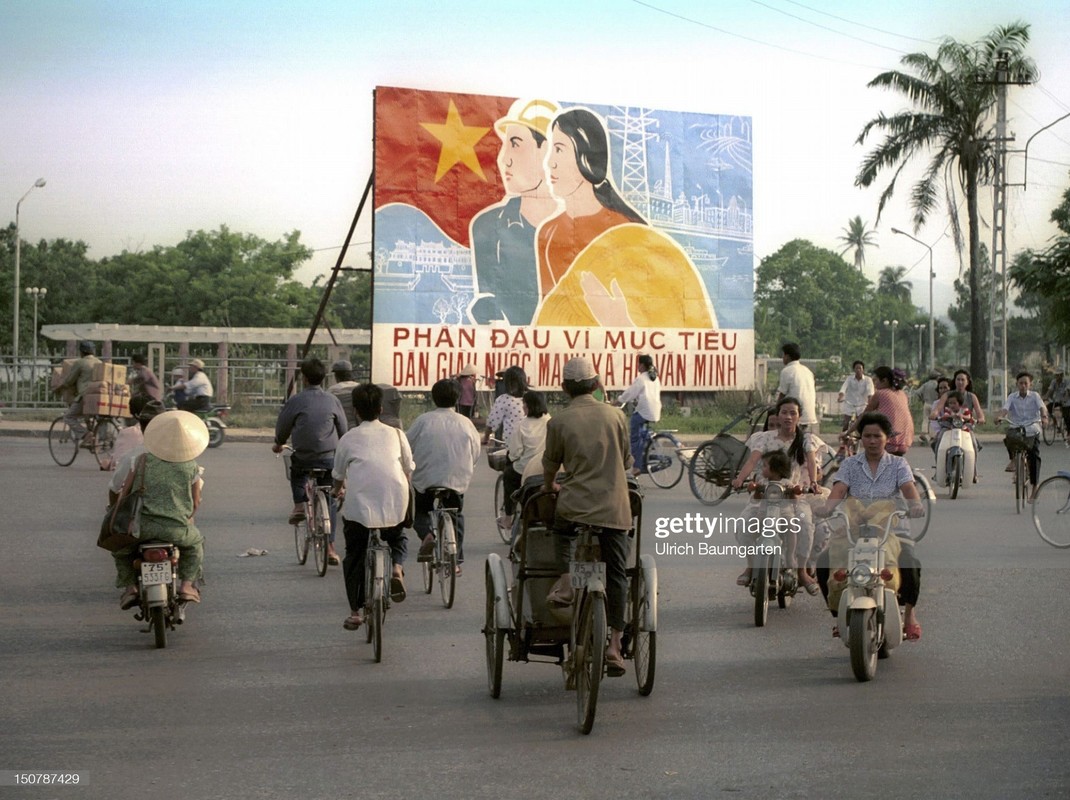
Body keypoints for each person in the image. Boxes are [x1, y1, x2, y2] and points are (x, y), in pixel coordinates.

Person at [532, 107, 715, 328]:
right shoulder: (548, 233)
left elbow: (648, 311)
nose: (549, 162)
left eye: (559, 150)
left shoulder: (627, 230)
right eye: (551, 150)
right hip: (569, 355)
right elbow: (551, 314)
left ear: (586, 158)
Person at [542, 356, 633, 677]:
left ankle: (567, 579)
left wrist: (550, 484)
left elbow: (550, 466)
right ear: (596, 384)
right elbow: (625, 462)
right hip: (614, 508)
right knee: (618, 573)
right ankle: (615, 645)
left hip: (574, 507)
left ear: (564, 388)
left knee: (562, 531)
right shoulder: (616, 416)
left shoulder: (559, 421)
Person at [817, 412, 926, 641]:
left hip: (891, 530)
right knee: (824, 562)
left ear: (887, 438)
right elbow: (838, 490)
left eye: (877, 436)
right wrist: (828, 507)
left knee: (910, 564)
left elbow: (908, 489)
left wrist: (915, 505)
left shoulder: (898, 464)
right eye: (867, 436)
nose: (872, 441)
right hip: (854, 529)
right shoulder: (849, 464)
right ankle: (839, 614)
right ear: (861, 439)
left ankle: (909, 615)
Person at [469, 98, 560, 325]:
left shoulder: (575, 228)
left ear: (546, 152)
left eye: (515, 144)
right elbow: (486, 307)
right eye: (504, 146)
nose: (504, 159)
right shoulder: (487, 227)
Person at [332, 384, 413, 631]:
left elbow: (338, 475)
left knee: (355, 554)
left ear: (355, 411)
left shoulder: (348, 438)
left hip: (359, 510)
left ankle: (355, 612)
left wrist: (337, 492)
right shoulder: (397, 434)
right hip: (395, 504)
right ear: (380, 408)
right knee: (398, 537)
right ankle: (397, 568)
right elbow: (409, 469)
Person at [112, 410, 209, 610]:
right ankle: (187, 586)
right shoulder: (190, 467)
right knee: (196, 545)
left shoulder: (142, 461)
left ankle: (130, 588)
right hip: (176, 529)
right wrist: (185, 517)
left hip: (141, 529)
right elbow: (196, 502)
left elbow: (124, 495)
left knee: (121, 550)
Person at [730, 396, 826, 594]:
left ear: (799, 417)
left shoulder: (806, 440)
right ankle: (751, 565)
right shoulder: (764, 438)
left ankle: (801, 571)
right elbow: (751, 461)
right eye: (784, 412)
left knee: (806, 525)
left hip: (794, 496)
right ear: (778, 415)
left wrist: (814, 483)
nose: (788, 417)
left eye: (793, 413)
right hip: (763, 494)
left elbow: (811, 463)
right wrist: (740, 479)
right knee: (744, 524)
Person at [272, 358, 348, 565]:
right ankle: (331, 549)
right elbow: (343, 429)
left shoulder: (296, 400)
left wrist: (279, 443)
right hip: (328, 458)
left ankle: (299, 506)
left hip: (304, 456)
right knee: (330, 498)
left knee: (297, 474)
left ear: (304, 378)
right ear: (323, 378)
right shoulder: (332, 400)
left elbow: (283, 427)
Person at [408, 379, 482, 574]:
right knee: (455, 514)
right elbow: (475, 452)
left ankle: (427, 536)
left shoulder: (423, 421)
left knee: (422, 512)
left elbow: (408, 447)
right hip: (456, 480)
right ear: (457, 398)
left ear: (434, 398)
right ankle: (455, 561)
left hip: (425, 479)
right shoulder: (466, 423)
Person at [500, 390, 551, 530]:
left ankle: (508, 517)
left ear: (528, 406)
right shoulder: (551, 421)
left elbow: (515, 453)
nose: (522, 407)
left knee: (508, 476)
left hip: (526, 470)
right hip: (549, 468)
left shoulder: (522, 425)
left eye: (524, 404)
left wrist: (510, 458)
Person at [995, 371, 1048, 491]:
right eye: (1021, 383)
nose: (1023, 385)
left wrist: (1044, 418)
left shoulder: (1035, 396)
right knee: (1009, 437)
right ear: (1017, 384)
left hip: (1032, 427)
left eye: (1025, 383)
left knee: (1034, 455)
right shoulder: (1012, 397)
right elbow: (1005, 409)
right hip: (1016, 426)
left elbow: (1042, 408)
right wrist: (999, 417)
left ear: (1030, 385)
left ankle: (1035, 485)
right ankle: (1013, 459)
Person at [846, 366, 913, 455]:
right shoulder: (902, 394)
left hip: (889, 440)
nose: (874, 385)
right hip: (905, 439)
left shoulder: (880, 393)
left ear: (884, 381)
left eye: (875, 381)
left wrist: (848, 432)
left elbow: (864, 415)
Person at [617, 354, 662, 477]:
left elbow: (629, 394)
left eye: (638, 364)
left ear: (642, 365)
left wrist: (618, 401)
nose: (637, 366)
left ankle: (636, 467)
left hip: (644, 412)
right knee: (643, 436)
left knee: (634, 436)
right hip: (655, 411)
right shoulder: (654, 378)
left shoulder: (641, 378)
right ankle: (645, 452)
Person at [59, 341, 101, 442]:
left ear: (81, 352)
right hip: (98, 395)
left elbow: (70, 380)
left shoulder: (80, 363)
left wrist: (61, 386)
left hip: (85, 395)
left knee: (68, 417)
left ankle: (85, 434)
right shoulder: (99, 362)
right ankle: (93, 439)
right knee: (89, 416)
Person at [482, 365, 527, 445]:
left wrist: (486, 437)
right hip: (535, 446)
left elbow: (491, 422)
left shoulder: (503, 399)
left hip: (513, 446)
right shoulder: (533, 397)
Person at [777, 343, 818, 430]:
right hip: (809, 415)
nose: (782, 358)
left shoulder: (787, 371)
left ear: (787, 356)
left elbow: (782, 394)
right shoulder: (807, 370)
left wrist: (776, 410)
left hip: (794, 415)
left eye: (783, 356)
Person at [837, 360, 874, 432]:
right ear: (854, 369)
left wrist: (870, 402)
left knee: (862, 424)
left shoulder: (868, 380)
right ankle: (844, 440)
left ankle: (861, 440)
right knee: (846, 424)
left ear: (863, 369)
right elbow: (844, 388)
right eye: (856, 368)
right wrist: (840, 396)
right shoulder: (849, 379)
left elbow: (870, 392)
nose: (858, 370)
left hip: (862, 405)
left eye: (860, 368)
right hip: (850, 404)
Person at [328, 359, 360, 429]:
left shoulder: (332, 391)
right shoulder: (360, 388)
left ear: (336, 376)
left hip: (339, 429)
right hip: (358, 427)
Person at [912, 371, 941, 440]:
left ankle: (923, 433)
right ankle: (932, 435)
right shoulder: (938, 385)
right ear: (937, 377)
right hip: (935, 404)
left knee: (925, 419)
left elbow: (917, 392)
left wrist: (921, 399)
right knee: (934, 420)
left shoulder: (925, 385)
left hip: (926, 403)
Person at [1044, 369, 1069, 446]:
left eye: (1059, 375)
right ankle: (1055, 422)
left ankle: (1068, 432)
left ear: (1062, 375)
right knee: (1048, 407)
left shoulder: (1067, 381)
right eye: (1056, 375)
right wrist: (1045, 397)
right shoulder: (1054, 382)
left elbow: (1067, 392)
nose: (1057, 377)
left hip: (1066, 400)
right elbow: (1050, 391)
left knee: (1066, 415)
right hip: (1057, 399)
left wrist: (1064, 399)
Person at [927, 376, 952, 441]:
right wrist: (938, 431)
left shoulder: (957, 401)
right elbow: (933, 420)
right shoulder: (936, 403)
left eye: (945, 387)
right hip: (943, 430)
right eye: (940, 388)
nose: (943, 390)